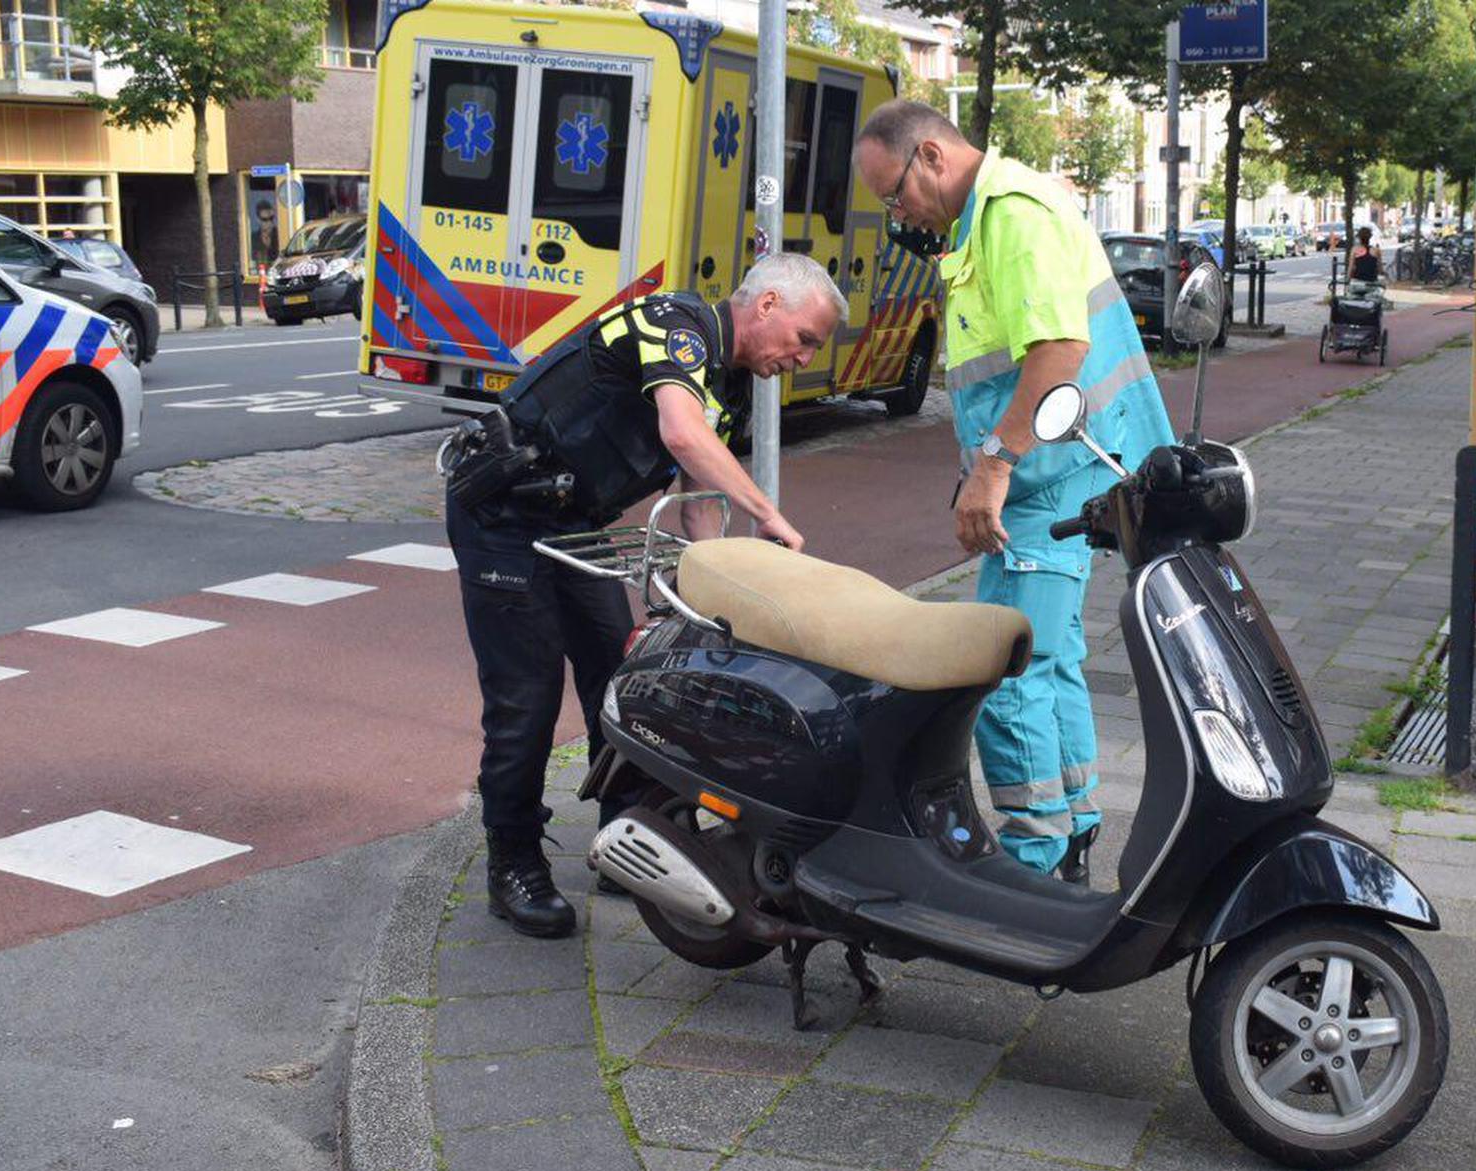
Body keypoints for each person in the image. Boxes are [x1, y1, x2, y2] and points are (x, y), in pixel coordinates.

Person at [445, 254, 838, 938]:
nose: (802, 358)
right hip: (501, 512)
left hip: (571, 521)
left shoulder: (730, 384)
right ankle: (513, 864)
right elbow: (681, 433)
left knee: (618, 677)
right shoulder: (675, 323)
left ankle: (624, 844)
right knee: (526, 697)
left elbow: (698, 499)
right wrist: (768, 515)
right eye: (805, 338)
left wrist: (719, 592)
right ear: (768, 304)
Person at [853, 101, 1174, 883]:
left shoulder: (1011, 215)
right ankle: (1075, 830)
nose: (897, 214)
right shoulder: (988, 219)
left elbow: (1059, 347)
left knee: (1004, 667)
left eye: (894, 193)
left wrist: (992, 468)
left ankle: (1032, 858)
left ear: (929, 155)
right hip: (1069, 471)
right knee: (1052, 658)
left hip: (1049, 480)